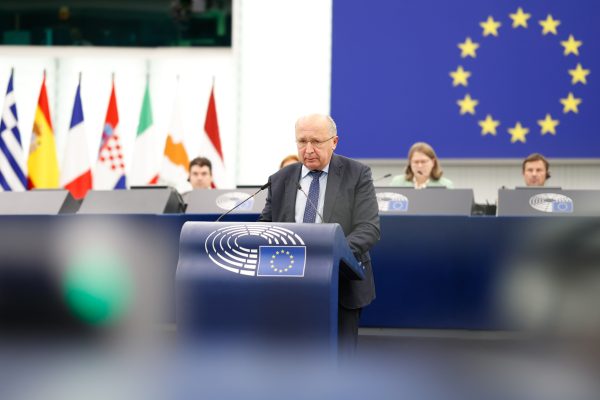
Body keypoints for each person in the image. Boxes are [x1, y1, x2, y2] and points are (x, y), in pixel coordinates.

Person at [259, 114, 380, 352]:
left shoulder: (357, 174)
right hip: (288, 287)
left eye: (316, 141)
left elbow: (369, 229)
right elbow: (266, 226)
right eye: (302, 141)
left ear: (334, 142)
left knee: (339, 364)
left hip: (341, 286)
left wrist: (330, 254)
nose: (308, 149)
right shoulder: (280, 179)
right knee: (291, 360)